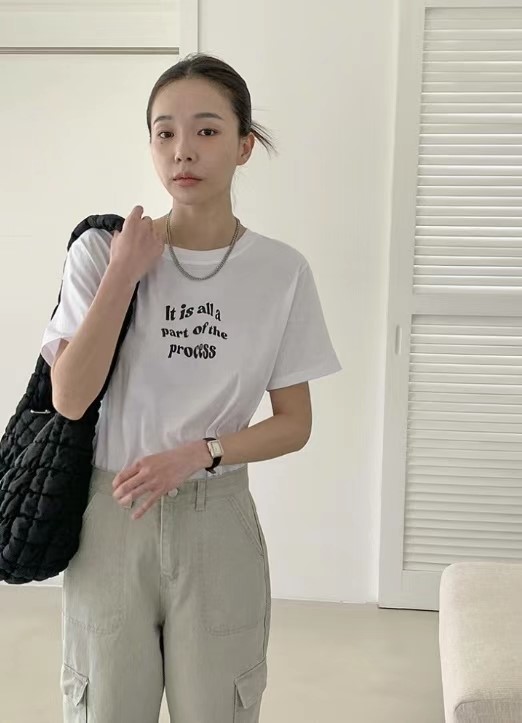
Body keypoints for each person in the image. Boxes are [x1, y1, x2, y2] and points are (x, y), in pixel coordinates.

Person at [40, 53, 342, 723]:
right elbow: (70, 397)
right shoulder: (101, 252)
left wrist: (199, 453)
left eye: (207, 130)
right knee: (104, 709)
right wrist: (124, 274)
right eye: (165, 132)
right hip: (111, 516)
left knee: (218, 709)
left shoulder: (281, 272)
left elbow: (294, 423)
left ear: (244, 145)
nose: (183, 150)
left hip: (217, 520)